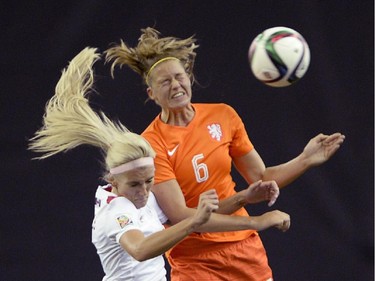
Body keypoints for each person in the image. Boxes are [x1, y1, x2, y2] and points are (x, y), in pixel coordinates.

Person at [29, 47, 291, 281]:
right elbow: (142, 249)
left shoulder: (148, 201)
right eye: (135, 184)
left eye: (149, 182)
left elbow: (196, 216)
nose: (144, 191)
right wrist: (253, 222)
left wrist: (243, 197)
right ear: (112, 181)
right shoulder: (115, 211)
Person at [105, 27, 346, 281]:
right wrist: (252, 215)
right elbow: (182, 216)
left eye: (179, 77)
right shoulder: (150, 144)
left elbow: (261, 176)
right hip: (194, 260)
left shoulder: (223, 116)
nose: (175, 85)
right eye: (165, 82)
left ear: (189, 79)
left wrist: (306, 159)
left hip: (244, 250)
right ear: (151, 94)